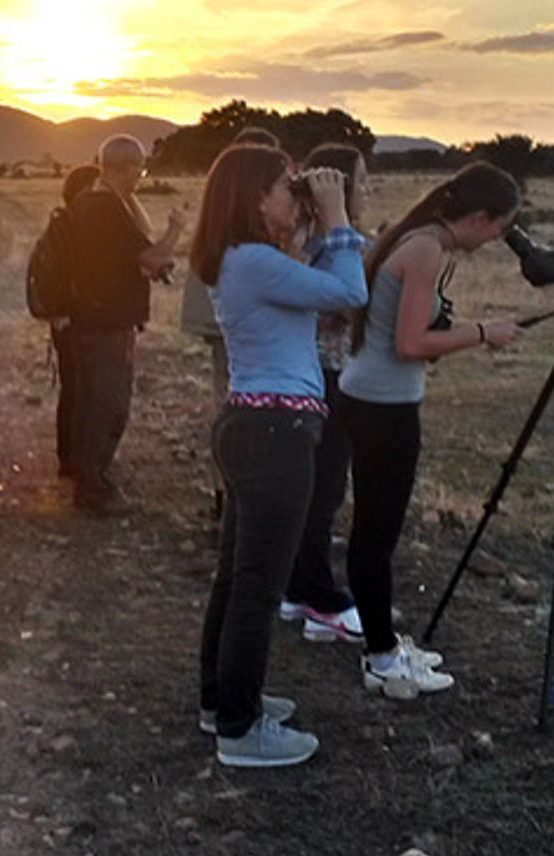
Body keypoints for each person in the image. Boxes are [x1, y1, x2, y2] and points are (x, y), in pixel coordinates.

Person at [191, 144, 367, 768]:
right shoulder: (254, 263)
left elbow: (314, 290)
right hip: (276, 434)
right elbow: (351, 291)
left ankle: (222, 702)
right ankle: (241, 731)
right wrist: (337, 212)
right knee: (257, 591)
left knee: (237, 580)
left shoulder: (244, 260)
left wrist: (308, 225)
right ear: (250, 195)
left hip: (253, 426)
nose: (293, 194)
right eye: (283, 185)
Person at [338, 162, 523, 700]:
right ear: (480, 216)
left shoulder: (416, 239)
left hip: (375, 397)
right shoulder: (426, 250)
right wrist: (484, 332)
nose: (496, 240)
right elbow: (410, 344)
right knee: (376, 533)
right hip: (381, 406)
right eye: (499, 227)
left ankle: (383, 642)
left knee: (376, 529)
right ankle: (380, 657)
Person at [278, 142, 369, 645]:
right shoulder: (322, 241)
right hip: (325, 375)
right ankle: (319, 599)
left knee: (316, 488)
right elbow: (352, 304)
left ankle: (294, 588)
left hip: (318, 373)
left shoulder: (303, 238)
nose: (370, 190)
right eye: (362, 180)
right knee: (322, 490)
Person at [64, 135, 183, 514]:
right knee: (108, 403)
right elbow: (149, 258)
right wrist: (176, 229)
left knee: (91, 400)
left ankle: (88, 475)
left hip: (89, 318)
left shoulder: (86, 202)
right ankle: (93, 488)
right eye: (140, 169)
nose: (140, 177)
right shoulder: (107, 209)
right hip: (107, 322)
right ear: (128, 167)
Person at [179, 126, 281, 517]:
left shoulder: (217, 210)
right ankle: (237, 493)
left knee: (225, 402)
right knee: (240, 408)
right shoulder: (242, 221)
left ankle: (225, 492)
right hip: (240, 328)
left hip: (219, 327)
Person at [51, 163, 102, 479]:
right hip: (75, 319)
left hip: (66, 318)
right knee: (83, 390)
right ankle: (78, 460)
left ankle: (68, 457)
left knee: (73, 389)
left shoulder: (64, 220)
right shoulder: (82, 225)